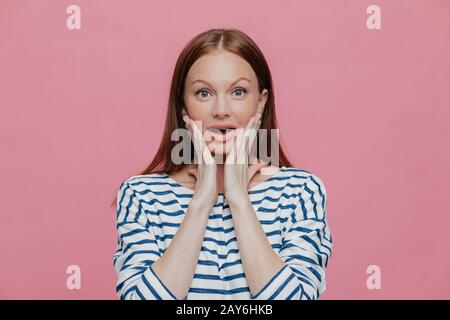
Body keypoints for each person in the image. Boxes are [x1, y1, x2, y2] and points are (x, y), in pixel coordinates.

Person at [112, 28, 332, 300]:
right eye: (203, 93)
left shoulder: (300, 191)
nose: (220, 110)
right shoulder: (141, 195)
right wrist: (202, 199)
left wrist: (238, 197)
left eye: (238, 91)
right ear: (183, 108)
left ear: (260, 103)